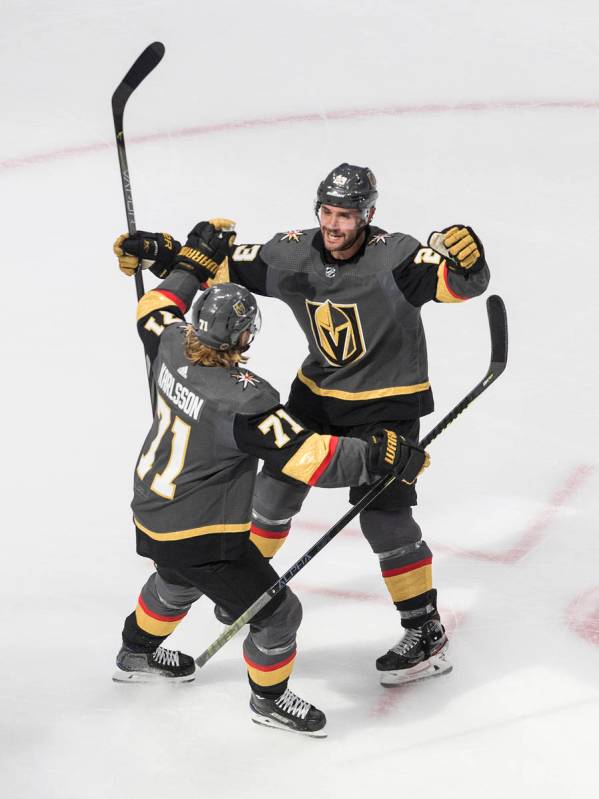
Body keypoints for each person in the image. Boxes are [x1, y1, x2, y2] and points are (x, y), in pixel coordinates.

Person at [114, 163, 490, 686]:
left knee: (385, 520)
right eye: (328, 213)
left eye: (347, 215)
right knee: (271, 499)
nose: (335, 225)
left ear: (369, 215)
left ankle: (425, 629)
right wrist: (165, 253)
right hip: (315, 396)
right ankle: (250, 595)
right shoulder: (292, 251)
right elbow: (219, 266)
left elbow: (458, 284)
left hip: (387, 405)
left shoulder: (397, 256)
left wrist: (473, 265)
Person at [112, 222, 429, 737]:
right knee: (279, 614)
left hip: (152, 512)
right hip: (204, 534)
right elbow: (307, 457)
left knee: (177, 577)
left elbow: (156, 304)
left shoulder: (168, 341)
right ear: (244, 337)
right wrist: (379, 455)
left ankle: (136, 650)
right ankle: (270, 700)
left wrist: (190, 263)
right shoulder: (245, 398)